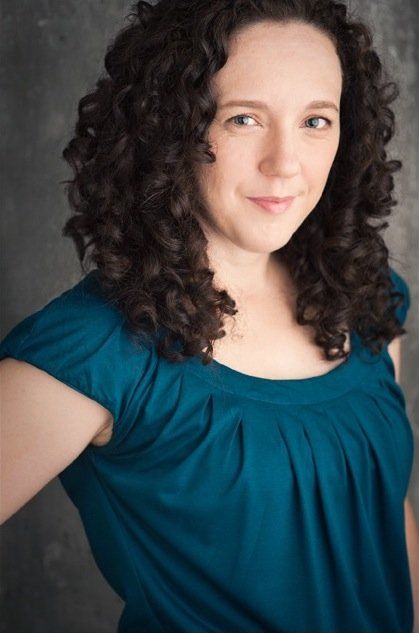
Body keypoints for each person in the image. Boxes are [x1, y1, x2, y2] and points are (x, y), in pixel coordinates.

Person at [1, 0, 418, 631]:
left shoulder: (365, 297)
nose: (285, 163)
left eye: (316, 120)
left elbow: (384, 521)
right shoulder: (96, 346)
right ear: (169, 127)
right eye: (243, 118)